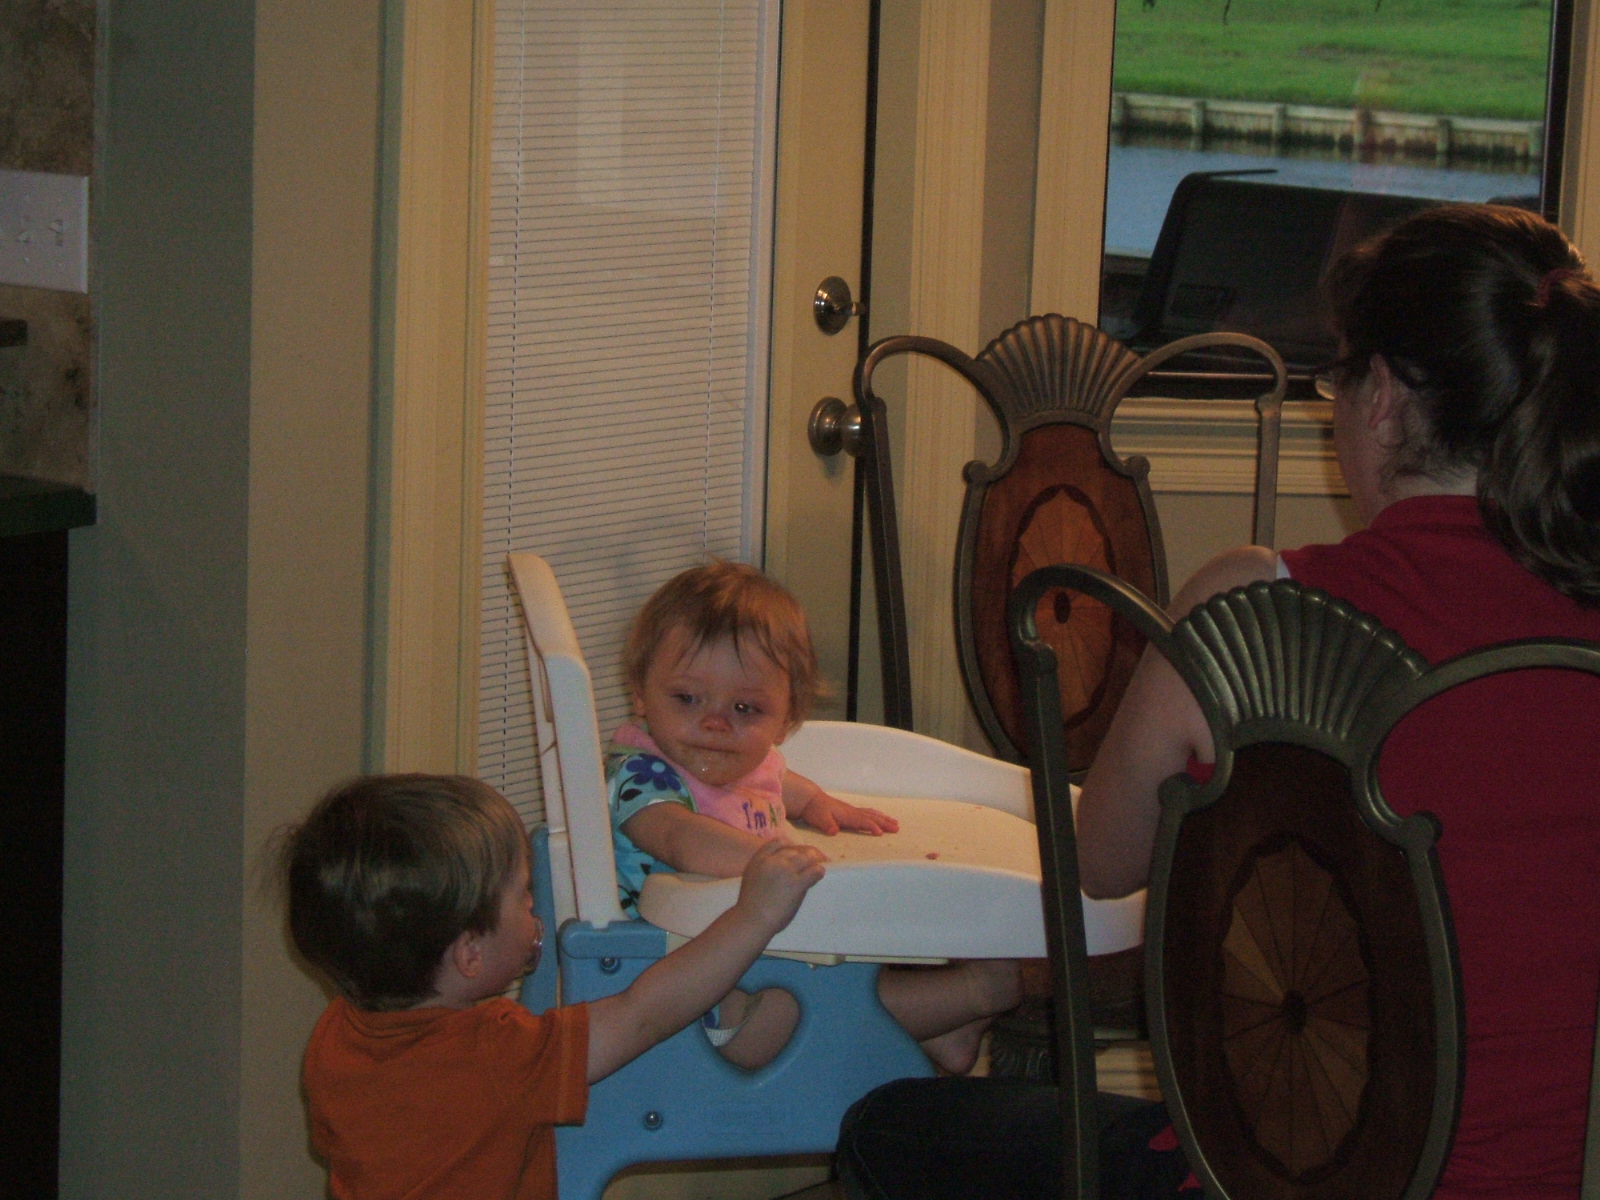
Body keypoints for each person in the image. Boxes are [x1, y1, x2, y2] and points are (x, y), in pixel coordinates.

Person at [836, 203, 1600, 1200]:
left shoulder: (1257, 612)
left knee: (888, 1129)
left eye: (1336, 381)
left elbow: (1101, 864)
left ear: (1380, 397)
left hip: (1286, 1183)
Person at [281, 771, 826, 1200]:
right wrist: (755, 916)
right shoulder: (497, 1051)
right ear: (470, 954)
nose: (533, 905)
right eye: (522, 895)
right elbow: (643, 1013)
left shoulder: (335, 1035)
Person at [610, 561, 1023, 1071]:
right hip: (700, 1003)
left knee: (849, 966)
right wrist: (772, 862)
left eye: (745, 709)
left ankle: (945, 1032)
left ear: (787, 718)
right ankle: (977, 993)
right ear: (640, 694)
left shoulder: (747, 762)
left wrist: (817, 804)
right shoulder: (642, 775)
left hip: (766, 955)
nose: (714, 722)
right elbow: (678, 838)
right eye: (687, 698)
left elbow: (777, 782)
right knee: (812, 1008)